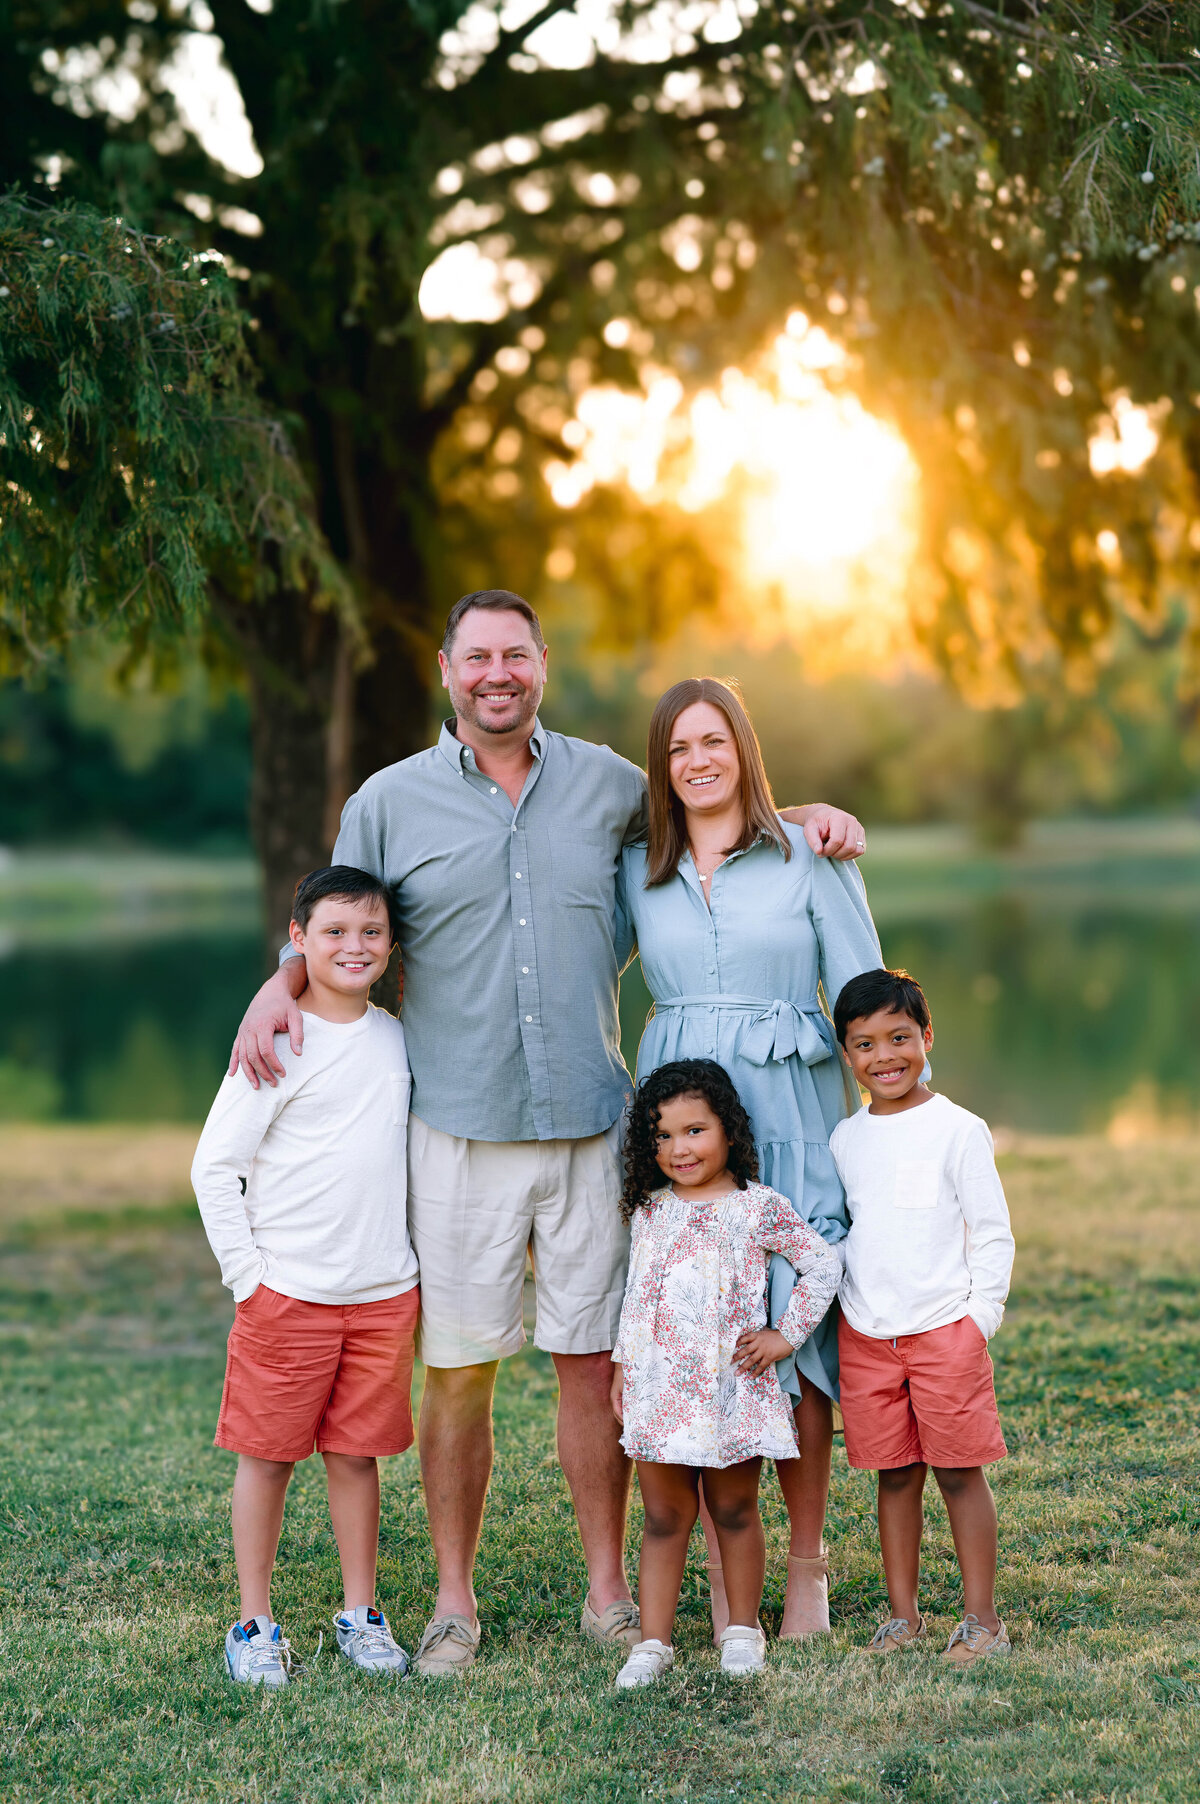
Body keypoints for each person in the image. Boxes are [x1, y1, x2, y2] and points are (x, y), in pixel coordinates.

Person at [229, 589, 865, 1675]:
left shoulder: (611, 783)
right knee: (460, 1370)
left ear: (543, 664)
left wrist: (798, 813)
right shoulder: (388, 801)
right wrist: (280, 979)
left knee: (590, 1364)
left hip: (589, 1121)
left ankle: (610, 1593)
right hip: (458, 1124)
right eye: (476, 656)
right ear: (444, 669)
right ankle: (451, 1603)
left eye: (515, 655)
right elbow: (339, 918)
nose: (497, 674)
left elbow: (704, 804)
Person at [617, 677, 882, 1641]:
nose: (698, 761)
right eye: (679, 747)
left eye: (714, 741)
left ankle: (804, 1569)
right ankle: (728, 1588)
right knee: (703, 1330)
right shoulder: (638, 870)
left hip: (789, 1105)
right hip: (682, 1105)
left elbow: (863, 995)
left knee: (795, 1334)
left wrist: (896, 1119)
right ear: (663, 765)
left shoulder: (808, 855)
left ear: (744, 749)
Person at [192, 866, 420, 1685]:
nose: (353, 946)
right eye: (333, 932)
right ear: (298, 940)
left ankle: (362, 1614)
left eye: (370, 932)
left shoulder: (398, 1038)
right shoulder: (276, 1040)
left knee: (358, 1458)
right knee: (268, 1457)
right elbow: (214, 1168)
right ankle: (253, 1624)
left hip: (385, 1294)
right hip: (289, 1295)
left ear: (391, 945)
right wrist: (250, 1282)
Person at [609, 1060, 840, 1688]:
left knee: (735, 1509)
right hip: (661, 1391)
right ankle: (653, 1643)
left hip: (733, 1389)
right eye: (662, 1136)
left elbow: (822, 1267)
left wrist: (784, 1336)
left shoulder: (757, 1207)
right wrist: (624, 1366)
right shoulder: (651, 1213)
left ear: (728, 1132)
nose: (678, 1149)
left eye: (694, 1131)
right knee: (662, 1516)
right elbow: (639, 1295)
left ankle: (742, 1630)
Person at [830, 967, 1016, 1665]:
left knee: (959, 1472)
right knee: (895, 1475)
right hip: (869, 1335)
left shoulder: (958, 1130)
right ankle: (902, 1618)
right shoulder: (846, 1139)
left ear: (927, 1036)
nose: (885, 1057)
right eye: (865, 1044)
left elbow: (992, 1232)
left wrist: (977, 1323)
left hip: (945, 1332)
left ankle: (982, 1621)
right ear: (847, 1056)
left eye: (900, 1037)